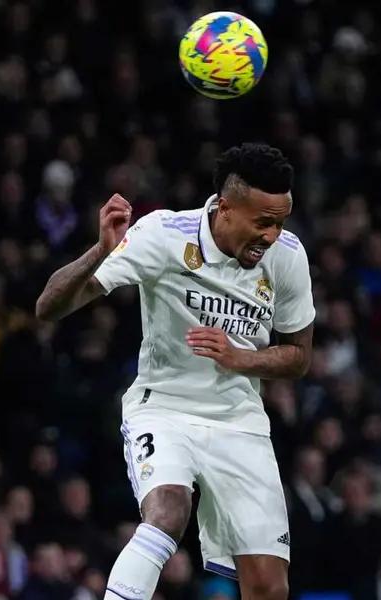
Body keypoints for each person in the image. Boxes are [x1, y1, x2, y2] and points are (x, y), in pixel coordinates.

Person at [34, 143, 315, 600]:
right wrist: (101, 250)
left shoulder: (287, 255)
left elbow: (300, 355)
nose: (272, 235)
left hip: (240, 422)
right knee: (168, 510)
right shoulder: (163, 234)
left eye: (281, 221)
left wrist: (241, 358)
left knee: (268, 585)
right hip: (163, 408)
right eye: (263, 222)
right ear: (225, 208)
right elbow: (49, 307)